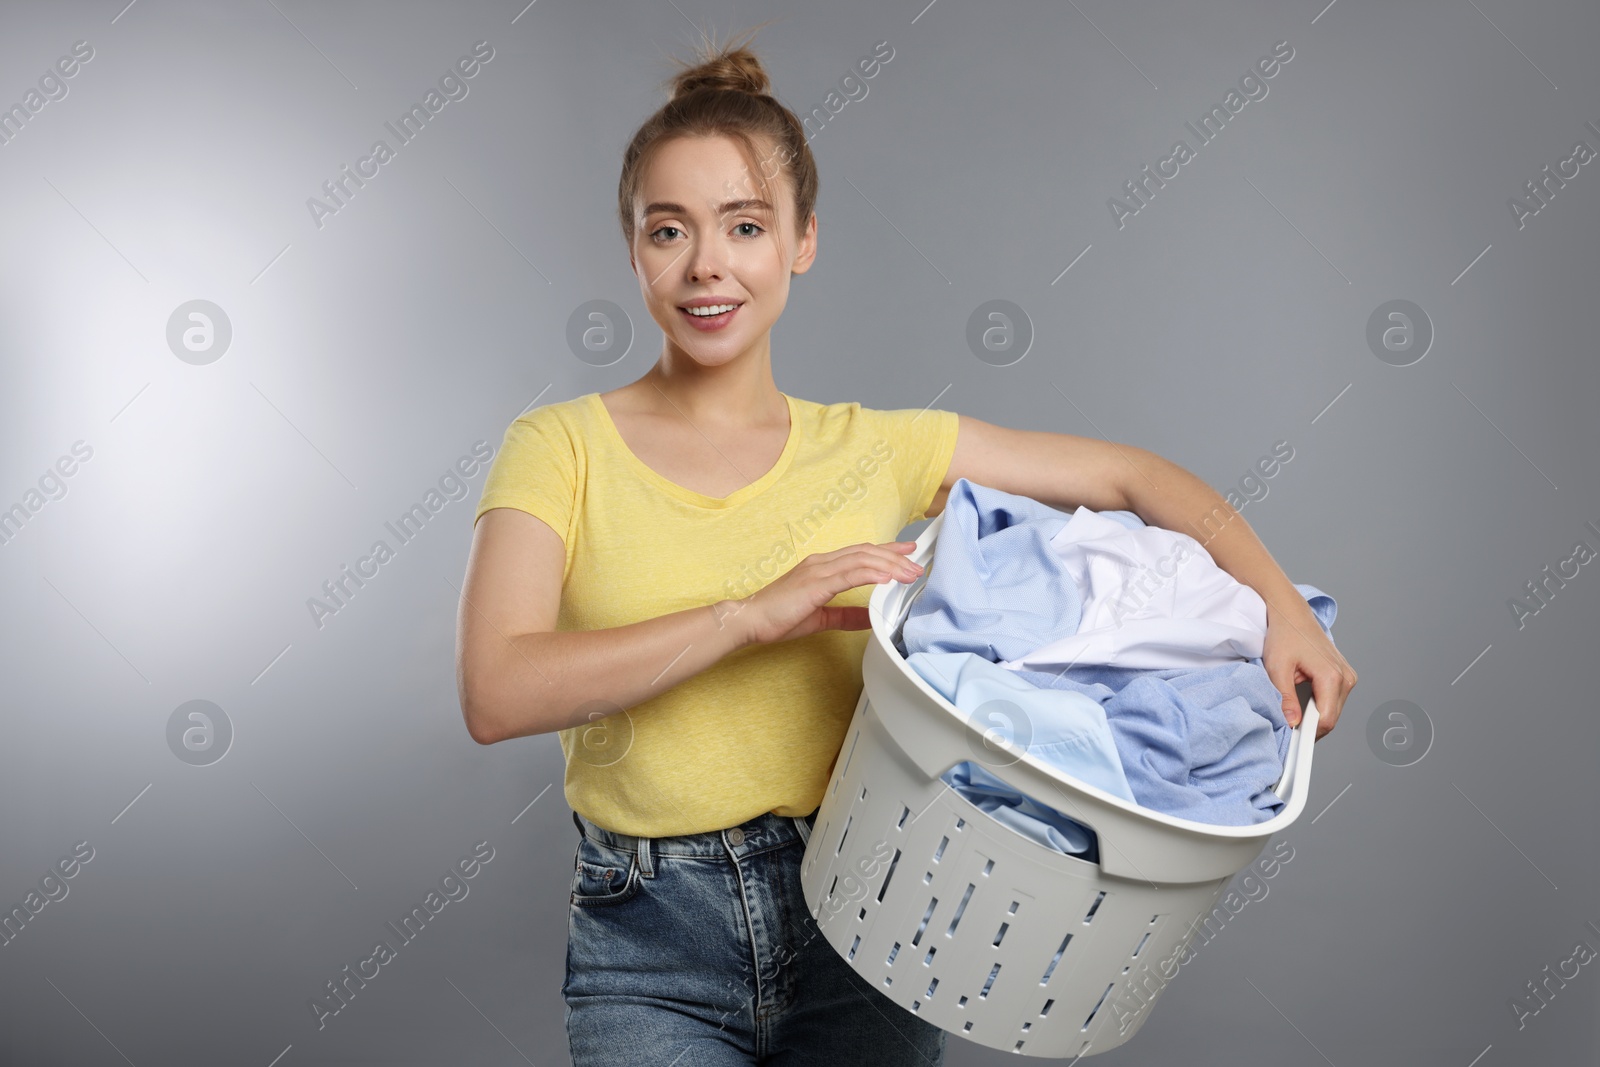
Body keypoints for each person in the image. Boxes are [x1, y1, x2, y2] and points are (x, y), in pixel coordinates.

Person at [454, 22, 1357, 1067]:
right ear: (634, 248)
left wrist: (1284, 611)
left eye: (745, 227)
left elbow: (1132, 478)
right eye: (669, 231)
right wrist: (753, 613)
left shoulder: (873, 446)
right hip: (648, 936)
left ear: (802, 241)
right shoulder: (558, 445)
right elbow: (497, 689)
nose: (708, 264)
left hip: (864, 912)